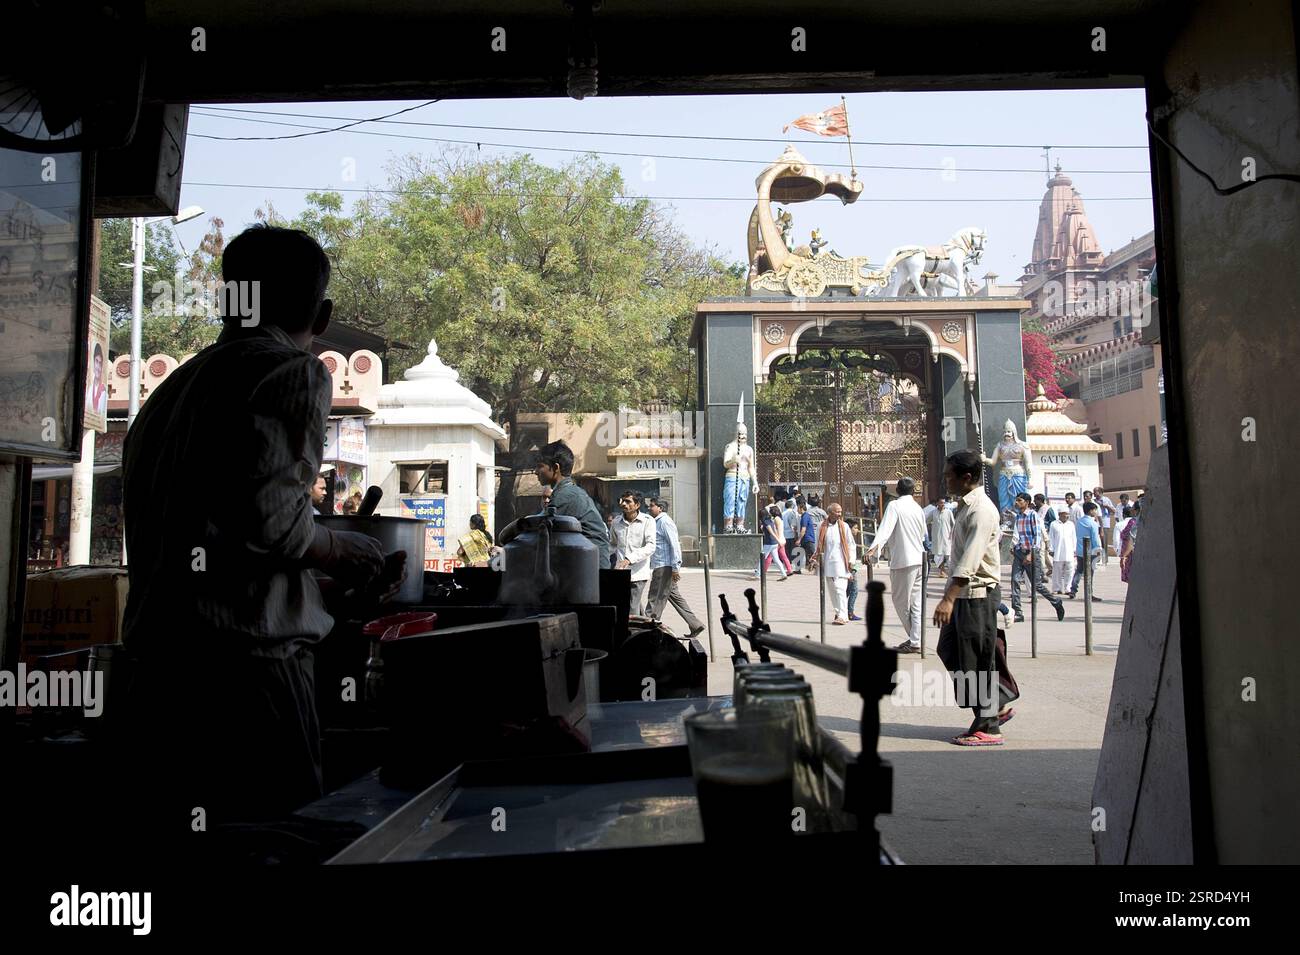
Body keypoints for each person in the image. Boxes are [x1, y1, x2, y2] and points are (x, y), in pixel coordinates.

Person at [118, 225, 406, 851]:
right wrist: (342, 548)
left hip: (153, 682)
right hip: (246, 682)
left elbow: (226, 531)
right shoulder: (290, 373)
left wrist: (316, 556)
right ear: (322, 316)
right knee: (270, 853)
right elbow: (275, 525)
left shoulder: (166, 395)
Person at [932, 450, 1017, 747]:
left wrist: (948, 599)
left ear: (966, 478)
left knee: (976, 659)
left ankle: (989, 725)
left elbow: (970, 559)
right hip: (965, 595)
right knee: (950, 649)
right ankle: (997, 700)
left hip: (977, 595)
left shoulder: (981, 510)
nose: (945, 481)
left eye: (948, 476)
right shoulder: (964, 506)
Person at [500, 440, 610, 567]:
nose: (536, 472)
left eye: (540, 466)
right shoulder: (565, 492)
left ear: (556, 468)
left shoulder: (566, 496)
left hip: (592, 570)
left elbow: (533, 530)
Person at [865, 477, 928, 653]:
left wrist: (872, 550)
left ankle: (915, 640)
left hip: (904, 560)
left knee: (900, 601)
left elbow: (885, 530)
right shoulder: (918, 508)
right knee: (915, 603)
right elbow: (924, 534)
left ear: (898, 491)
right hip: (920, 559)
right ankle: (915, 640)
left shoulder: (895, 506)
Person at [645, 497, 704, 637]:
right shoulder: (656, 522)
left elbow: (675, 545)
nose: (649, 508)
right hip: (661, 565)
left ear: (660, 508)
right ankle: (695, 624)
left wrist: (675, 567)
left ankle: (649, 629)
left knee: (655, 599)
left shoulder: (665, 522)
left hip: (664, 566)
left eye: (652, 506)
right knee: (675, 597)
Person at [1009, 493, 1066, 622]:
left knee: (1037, 585)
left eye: (1020, 500)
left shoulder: (1033, 516)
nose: (1017, 503)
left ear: (1027, 502)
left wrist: (1031, 554)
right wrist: (1014, 547)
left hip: (1031, 553)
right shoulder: (1018, 517)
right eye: (1016, 500)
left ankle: (1056, 602)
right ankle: (1017, 612)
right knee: (1015, 580)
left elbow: (1037, 536)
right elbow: (1018, 534)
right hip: (1019, 552)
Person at [613, 490, 657, 616]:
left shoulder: (648, 521)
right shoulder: (616, 522)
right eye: (622, 500)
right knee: (628, 605)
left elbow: (651, 546)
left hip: (638, 573)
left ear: (637, 505)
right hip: (620, 573)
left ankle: (633, 633)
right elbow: (612, 544)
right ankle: (645, 630)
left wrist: (630, 559)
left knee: (631, 609)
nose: (623, 504)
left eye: (628, 501)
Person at [815, 502, 856, 624]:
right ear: (830, 513)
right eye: (837, 512)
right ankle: (839, 613)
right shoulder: (821, 526)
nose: (839, 514)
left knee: (840, 589)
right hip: (827, 563)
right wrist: (816, 559)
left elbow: (851, 545)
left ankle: (843, 616)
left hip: (841, 563)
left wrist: (851, 561)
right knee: (833, 591)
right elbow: (818, 545)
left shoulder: (844, 526)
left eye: (840, 511)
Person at [1069, 501, 1104, 600]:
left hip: (1080, 550)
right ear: (1091, 511)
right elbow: (1095, 538)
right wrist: (1098, 550)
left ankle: (1073, 590)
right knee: (1090, 573)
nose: (1096, 512)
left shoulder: (1079, 521)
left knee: (1079, 571)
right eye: (1095, 510)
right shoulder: (1092, 523)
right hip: (1090, 551)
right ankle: (1089, 593)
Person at [753, 504, 790, 582]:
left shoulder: (765, 521)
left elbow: (771, 532)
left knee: (762, 558)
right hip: (774, 543)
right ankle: (784, 574)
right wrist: (777, 541)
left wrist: (778, 540)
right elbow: (775, 530)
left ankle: (757, 575)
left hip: (769, 543)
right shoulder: (770, 520)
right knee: (776, 559)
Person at [1049, 510, 1077, 594]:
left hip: (1069, 551)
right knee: (1057, 570)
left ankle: (1068, 588)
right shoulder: (1054, 524)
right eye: (1065, 514)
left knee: (1070, 569)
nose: (1067, 516)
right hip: (1058, 550)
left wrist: (1074, 549)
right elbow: (1051, 537)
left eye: (1068, 514)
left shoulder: (1071, 524)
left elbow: (1074, 538)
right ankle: (1056, 588)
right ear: (1060, 514)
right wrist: (1051, 549)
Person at [929, 494, 955, 576]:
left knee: (947, 554)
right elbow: (925, 521)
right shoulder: (933, 513)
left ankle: (951, 572)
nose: (942, 504)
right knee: (938, 555)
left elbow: (953, 524)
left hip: (947, 537)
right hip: (937, 538)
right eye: (940, 503)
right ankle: (941, 571)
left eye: (943, 503)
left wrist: (952, 533)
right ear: (937, 503)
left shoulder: (948, 512)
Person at [844, 517, 863, 621]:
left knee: (847, 590)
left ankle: (842, 611)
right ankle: (849, 612)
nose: (857, 530)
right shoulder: (847, 539)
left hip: (851, 567)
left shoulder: (848, 539)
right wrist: (851, 569)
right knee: (854, 590)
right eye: (855, 528)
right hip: (850, 568)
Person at [1094, 486, 1115, 565]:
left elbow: (1113, 511)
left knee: (1104, 542)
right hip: (1096, 524)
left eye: (1095, 492)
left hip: (1105, 523)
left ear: (1100, 492)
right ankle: (1098, 558)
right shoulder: (1094, 501)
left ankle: (1105, 559)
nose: (1094, 493)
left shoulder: (1106, 500)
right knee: (1096, 541)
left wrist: (1106, 506)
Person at [1119, 503, 1139, 583]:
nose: (1131, 509)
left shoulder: (1134, 522)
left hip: (1131, 554)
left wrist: (1123, 557)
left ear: (1137, 510)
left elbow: (1130, 540)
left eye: (1133, 507)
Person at [781, 495, 800, 562]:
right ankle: (792, 562)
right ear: (792, 506)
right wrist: (796, 533)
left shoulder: (782, 514)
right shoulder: (793, 513)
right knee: (793, 549)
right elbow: (794, 524)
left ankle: (787, 562)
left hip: (784, 534)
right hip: (792, 534)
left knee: (787, 550)